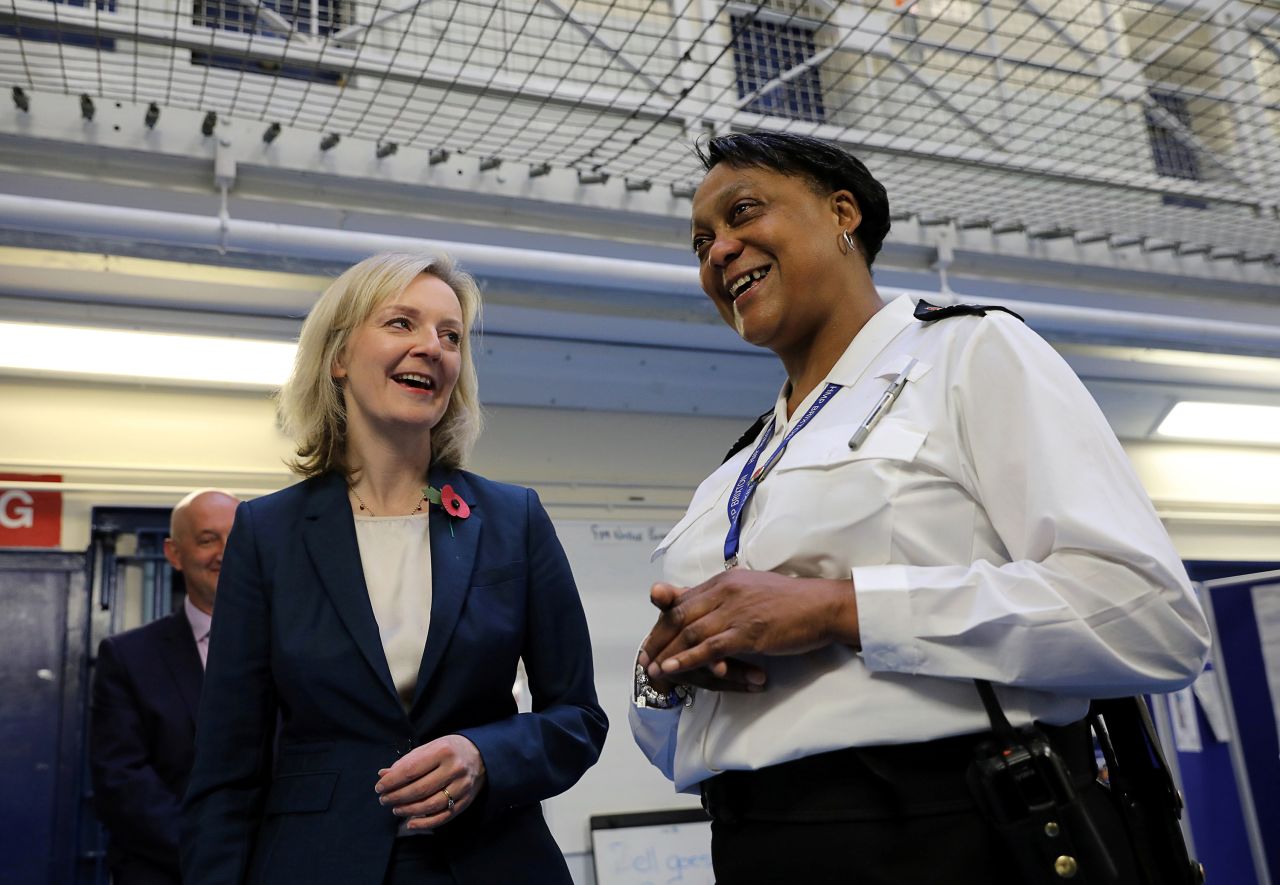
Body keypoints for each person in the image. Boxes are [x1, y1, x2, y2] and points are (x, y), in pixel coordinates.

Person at [629, 132, 1211, 884]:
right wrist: (664, 677)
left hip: (948, 830)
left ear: (843, 213)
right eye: (702, 241)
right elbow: (677, 746)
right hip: (754, 840)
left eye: (744, 214)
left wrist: (842, 608)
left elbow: (1150, 615)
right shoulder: (739, 466)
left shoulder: (969, 352)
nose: (718, 251)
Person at [181, 251, 607, 885]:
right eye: (402, 323)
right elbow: (226, 767)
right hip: (319, 862)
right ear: (339, 358)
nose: (431, 346)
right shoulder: (267, 533)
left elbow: (577, 718)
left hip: (492, 860)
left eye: (450, 335)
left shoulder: (512, 518)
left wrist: (485, 754)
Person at [90, 488, 240, 885]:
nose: (226, 552)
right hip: (165, 870)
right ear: (174, 554)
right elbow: (121, 779)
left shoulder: (294, 651)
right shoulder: (127, 657)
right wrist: (209, 854)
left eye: (238, 538)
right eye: (208, 539)